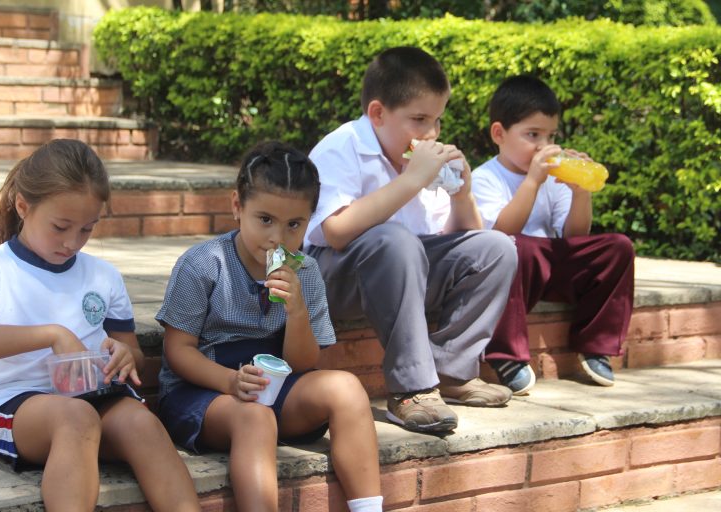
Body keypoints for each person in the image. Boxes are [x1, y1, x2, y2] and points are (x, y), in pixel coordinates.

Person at [0, 139, 200, 512]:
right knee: (76, 418)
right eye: (60, 227)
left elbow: (132, 350)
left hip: (94, 394)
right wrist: (52, 335)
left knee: (144, 426)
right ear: (23, 206)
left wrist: (125, 355)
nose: (72, 243)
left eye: (86, 229)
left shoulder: (103, 275)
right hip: (18, 404)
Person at [156, 141, 383, 512]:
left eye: (294, 224)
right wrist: (229, 382)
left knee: (347, 388)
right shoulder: (203, 264)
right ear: (237, 207)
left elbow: (308, 363)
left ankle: (368, 509)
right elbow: (177, 351)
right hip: (203, 393)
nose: (277, 237)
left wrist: (296, 312)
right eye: (265, 220)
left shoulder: (305, 272)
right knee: (255, 417)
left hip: (273, 389)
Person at [303, 46, 518, 435]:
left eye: (437, 120)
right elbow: (334, 231)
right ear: (378, 113)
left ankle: (451, 371)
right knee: (395, 240)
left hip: (403, 270)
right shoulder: (341, 146)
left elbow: (459, 237)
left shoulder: (417, 161)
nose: (431, 133)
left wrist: (462, 193)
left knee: (496, 247)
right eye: (419, 119)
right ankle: (411, 389)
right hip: (329, 277)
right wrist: (411, 181)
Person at [471, 75, 635, 394]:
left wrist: (581, 191)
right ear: (499, 133)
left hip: (551, 268)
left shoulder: (553, 179)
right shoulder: (485, 177)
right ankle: (505, 353)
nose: (544, 146)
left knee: (618, 247)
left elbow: (575, 237)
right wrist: (532, 181)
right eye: (532, 135)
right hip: (514, 270)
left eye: (550, 136)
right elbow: (500, 233)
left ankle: (595, 344)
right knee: (515, 246)